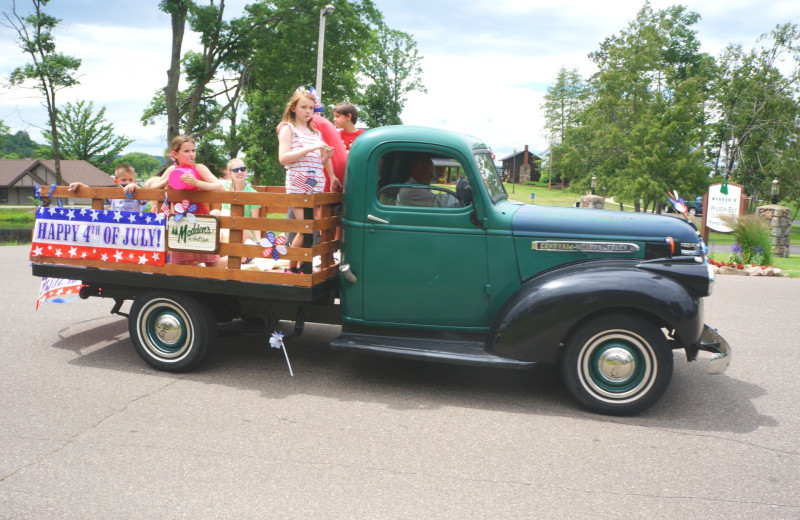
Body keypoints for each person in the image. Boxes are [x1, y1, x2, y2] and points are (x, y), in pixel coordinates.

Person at [277, 89, 337, 273]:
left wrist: (326, 157)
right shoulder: (288, 128)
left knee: (309, 227)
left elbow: (316, 163)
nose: (308, 111)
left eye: (311, 108)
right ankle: (293, 267)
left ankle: (298, 266)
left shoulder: (314, 132)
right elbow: (284, 158)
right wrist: (311, 147)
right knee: (306, 228)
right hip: (298, 181)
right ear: (294, 108)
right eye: (304, 107)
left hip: (315, 182)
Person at [150, 135, 227, 267]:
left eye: (193, 150)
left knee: (211, 263)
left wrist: (196, 182)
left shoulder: (199, 168)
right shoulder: (172, 170)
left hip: (200, 218)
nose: (191, 154)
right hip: (180, 221)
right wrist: (168, 180)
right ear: (175, 154)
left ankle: (240, 258)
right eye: (186, 151)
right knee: (182, 264)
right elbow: (153, 187)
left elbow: (220, 187)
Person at [68, 163, 146, 212]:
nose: (127, 182)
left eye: (130, 180)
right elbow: (95, 192)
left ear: (134, 181)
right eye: (124, 180)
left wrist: (135, 186)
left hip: (133, 227)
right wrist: (80, 185)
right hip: (116, 226)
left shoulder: (137, 192)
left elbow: (144, 198)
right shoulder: (112, 193)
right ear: (116, 181)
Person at [219, 158, 261, 243]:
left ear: (246, 171)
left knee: (230, 219)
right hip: (225, 231)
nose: (240, 172)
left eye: (242, 169)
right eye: (235, 170)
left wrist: (258, 242)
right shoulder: (224, 187)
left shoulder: (252, 193)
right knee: (217, 213)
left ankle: (224, 255)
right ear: (229, 173)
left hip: (244, 234)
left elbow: (255, 221)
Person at [396, 154, 460, 208]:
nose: (432, 176)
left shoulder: (418, 186)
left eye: (432, 173)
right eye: (428, 173)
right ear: (415, 172)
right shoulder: (410, 190)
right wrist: (461, 197)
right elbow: (439, 201)